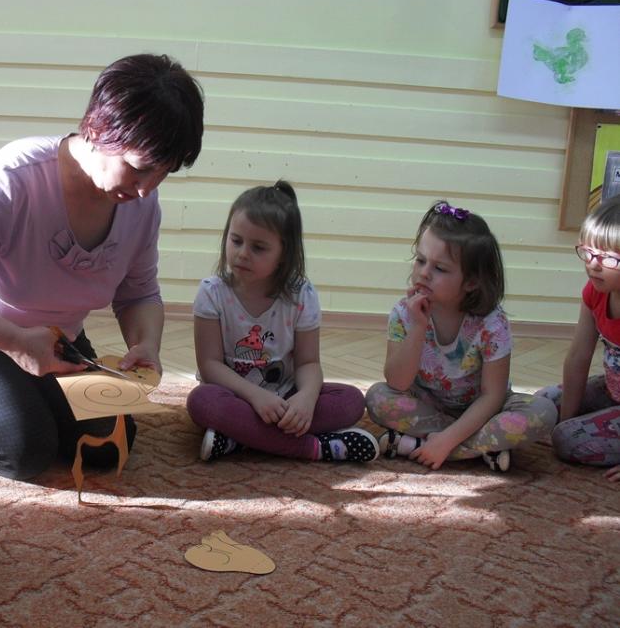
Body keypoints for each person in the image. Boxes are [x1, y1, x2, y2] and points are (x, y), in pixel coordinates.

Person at [0, 54, 204, 481]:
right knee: (20, 449)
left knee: (109, 446)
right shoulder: (14, 179)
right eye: (139, 168)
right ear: (97, 129)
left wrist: (146, 344)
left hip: (53, 342)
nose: (148, 188)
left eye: (164, 173)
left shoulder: (141, 205)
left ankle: (14, 393)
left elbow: (139, 293)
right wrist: (14, 342)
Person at [186, 180, 379, 463]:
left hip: (286, 395)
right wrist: (256, 397)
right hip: (235, 395)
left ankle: (238, 438)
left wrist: (307, 399)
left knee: (351, 401)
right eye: (236, 240)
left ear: (283, 254)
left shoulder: (302, 295)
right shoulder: (211, 293)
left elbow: (308, 363)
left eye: (258, 247)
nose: (242, 253)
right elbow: (210, 365)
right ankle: (315, 448)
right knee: (201, 402)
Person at [365, 201, 556, 472]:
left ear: (472, 282)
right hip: (429, 406)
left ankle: (423, 445)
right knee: (377, 398)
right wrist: (418, 327)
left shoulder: (492, 323)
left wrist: (446, 441)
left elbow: (492, 396)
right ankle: (483, 448)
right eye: (420, 260)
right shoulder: (403, 313)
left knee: (543, 412)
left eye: (440, 268)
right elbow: (397, 382)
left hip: (483, 411)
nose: (424, 273)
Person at [536, 195, 620, 482]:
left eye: (609, 258)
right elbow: (578, 357)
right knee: (542, 404)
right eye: (588, 253)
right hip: (612, 391)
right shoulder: (595, 292)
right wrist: (566, 420)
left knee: (567, 440)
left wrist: (565, 432)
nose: (594, 265)